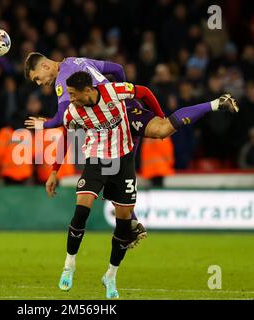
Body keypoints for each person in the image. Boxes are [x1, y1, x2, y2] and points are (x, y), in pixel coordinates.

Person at [46, 71, 239, 298]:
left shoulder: (114, 92)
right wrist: (54, 171)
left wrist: (160, 117)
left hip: (124, 161)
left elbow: (144, 91)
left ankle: (110, 276)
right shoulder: (72, 112)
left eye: (73, 94)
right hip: (96, 161)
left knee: (124, 226)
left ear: (87, 90)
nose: (70, 98)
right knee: (81, 211)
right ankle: (69, 266)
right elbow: (67, 137)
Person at [24, 52, 166, 245]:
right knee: (117, 167)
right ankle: (131, 222)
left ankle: (130, 225)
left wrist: (45, 125)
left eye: (38, 79)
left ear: (46, 67)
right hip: (122, 115)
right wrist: (122, 97)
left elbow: (60, 119)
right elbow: (117, 69)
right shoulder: (77, 61)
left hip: (112, 123)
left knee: (112, 166)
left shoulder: (64, 80)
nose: (40, 84)